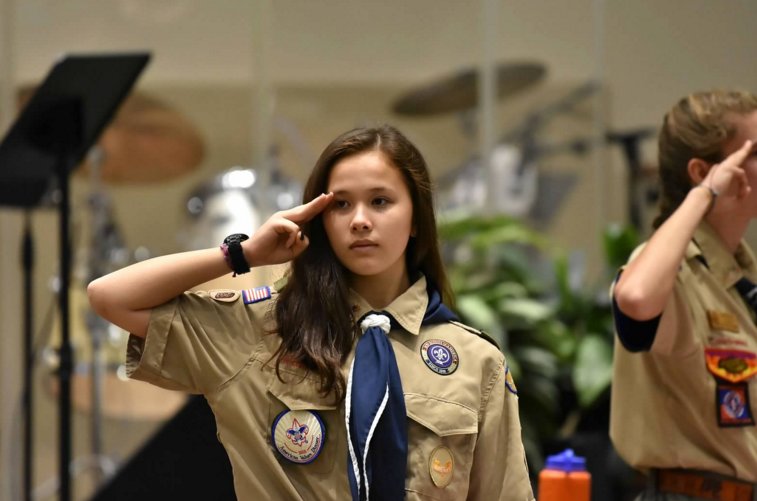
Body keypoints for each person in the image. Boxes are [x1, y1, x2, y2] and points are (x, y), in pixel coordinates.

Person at [88, 124, 534, 500]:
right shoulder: (259, 331)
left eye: (380, 201)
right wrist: (242, 255)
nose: (360, 219)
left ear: (416, 218)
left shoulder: (476, 363)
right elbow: (111, 297)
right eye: (341, 204)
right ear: (320, 219)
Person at [611, 90, 757, 500]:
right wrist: (704, 196)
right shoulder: (668, 270)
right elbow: (635, 300)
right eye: (755, 151)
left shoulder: (743, 275)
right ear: (703, 171)